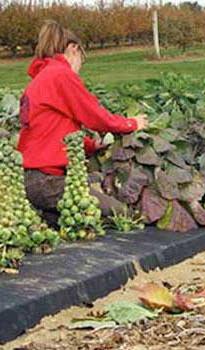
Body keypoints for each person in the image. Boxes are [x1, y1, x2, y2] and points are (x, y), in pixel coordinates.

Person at [17, 20, 148, 226]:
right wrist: (132, 123)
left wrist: (91, 146)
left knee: (74, 226)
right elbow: (96, 116)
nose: (79, 69)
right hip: (50, 183)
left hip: (31, 181)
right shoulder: (60, 75)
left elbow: (52, 130)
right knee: (123, 217)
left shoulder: (40, 80)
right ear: (73, 49)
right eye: (81, 61)